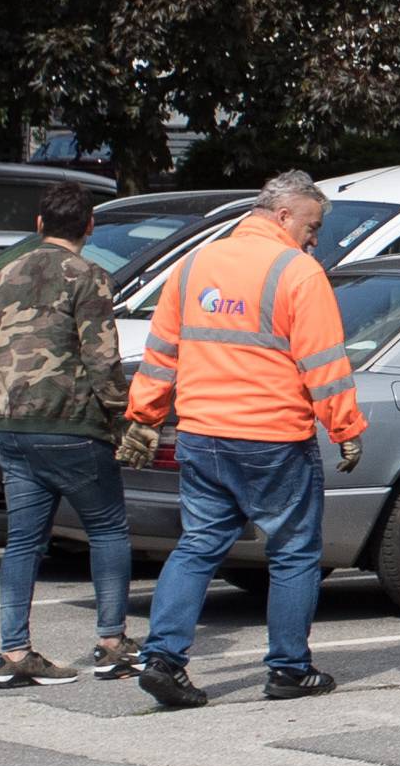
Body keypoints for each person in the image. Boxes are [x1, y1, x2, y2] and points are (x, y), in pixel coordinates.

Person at [119, 169, 367, 710]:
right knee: (295, 553)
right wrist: (345, 428)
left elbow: (162, 352)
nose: (314, 238)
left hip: (204, 433)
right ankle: (288, 670)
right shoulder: (297, 273)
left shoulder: (194, 267)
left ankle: (163, 659)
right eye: (312, 225)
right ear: (283, 215)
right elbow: (324, 363)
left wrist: (144, 416)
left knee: (199, 544)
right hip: (273, 436)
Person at [0, 182, 137, 685]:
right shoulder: (88, 275)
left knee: (23, 541)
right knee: (107, 528)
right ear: (90, 227)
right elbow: (101, 356)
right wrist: (123, 418)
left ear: (39, 225)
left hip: (12, 423)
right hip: (71, 423)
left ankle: (14, 651)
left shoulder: (6, 270)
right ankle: (111, 642)